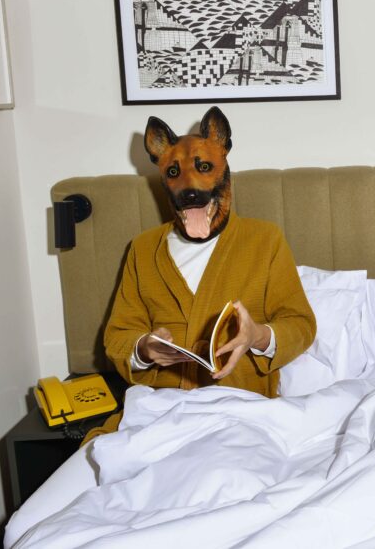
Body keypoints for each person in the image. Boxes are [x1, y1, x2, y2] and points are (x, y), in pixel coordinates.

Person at [86, 107, 315, 441]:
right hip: (161, 413)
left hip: (242, 410)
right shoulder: (142, 249)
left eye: (204, 168)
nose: (189, 187)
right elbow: (118, 335)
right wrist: (144, 348)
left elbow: (301, 324)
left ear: (223, 167)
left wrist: (257, 336)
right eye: (175, 173)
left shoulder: (264, 240)